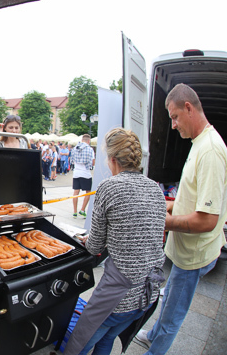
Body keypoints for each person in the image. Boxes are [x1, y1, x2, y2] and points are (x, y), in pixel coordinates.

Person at [135, 84, 227, 355]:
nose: (173, 125)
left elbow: (206, 220)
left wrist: (160, 221)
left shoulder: (210, 151)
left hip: (195, 254)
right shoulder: (199, 142)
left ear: (189, 107)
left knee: (174, 311)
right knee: (169, 297)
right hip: (185, 251)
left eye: (175, 117)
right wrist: (160, 204)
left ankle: (156, 349)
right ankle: (152, 334)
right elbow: (192, 199)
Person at [64, 128, 166, 355]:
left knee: (80, 344)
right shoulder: (155, 189)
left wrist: (86, 240)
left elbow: (94, 247)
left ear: (112, 160)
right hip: (148, 294)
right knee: (107, 339)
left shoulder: (109, 187)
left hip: (119, 296)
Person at [71, 134, 95, 219]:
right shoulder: (90, 149)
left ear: (82, 140)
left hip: (76, 172)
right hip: (85, 173)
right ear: (89, 141)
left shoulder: (74, 149)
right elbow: (93, 163)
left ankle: (74, 212)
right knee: (88, 192)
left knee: (76, 192)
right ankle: (82, 210)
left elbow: (72, 161)